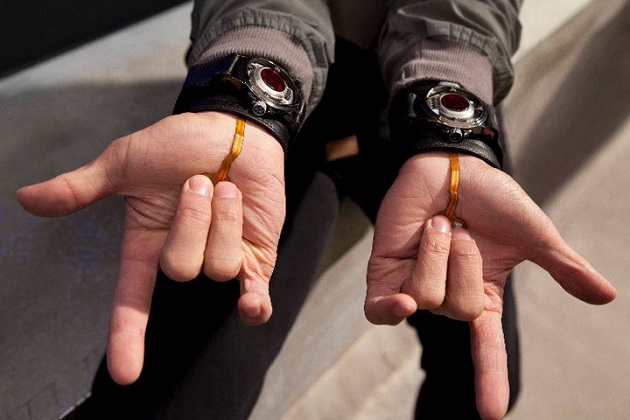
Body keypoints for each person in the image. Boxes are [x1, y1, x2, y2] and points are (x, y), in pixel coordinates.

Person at [16, 1, 616, 419]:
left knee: (481, 375)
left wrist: (447, 113)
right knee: (181, 395)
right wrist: (247, 87)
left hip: (426, 89)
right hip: (272, 73)